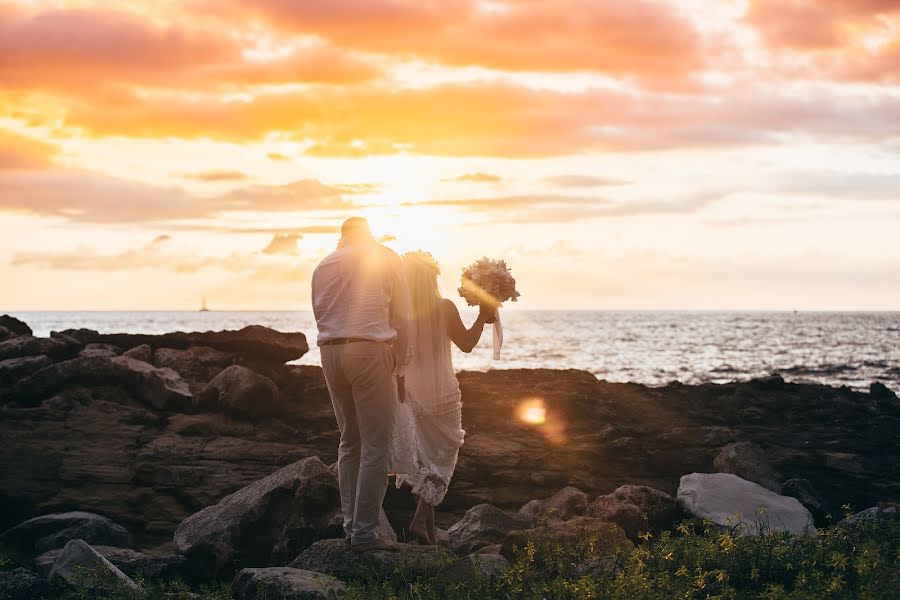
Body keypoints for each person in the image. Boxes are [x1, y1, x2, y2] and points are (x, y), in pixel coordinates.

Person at [311, 217, 413, 552]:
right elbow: (401, 314)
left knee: (349, 441)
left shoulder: (323, 265)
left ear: (342, 237)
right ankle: (366, 534)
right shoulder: (383, 256)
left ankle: (351, 527)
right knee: (376, 446)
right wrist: (403, 357)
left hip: (330, 353)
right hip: (369, 350)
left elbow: (321, 312)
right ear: (368, 235)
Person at [390, 250, 495, 545]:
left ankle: (430, 532)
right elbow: (467, 345)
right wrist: (482, 317)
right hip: (442, 391)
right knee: (444, 458)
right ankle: (418, 523)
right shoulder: (444, 308)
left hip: (409, 390)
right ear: (432, 277)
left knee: (424, 458)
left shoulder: (398, 312)